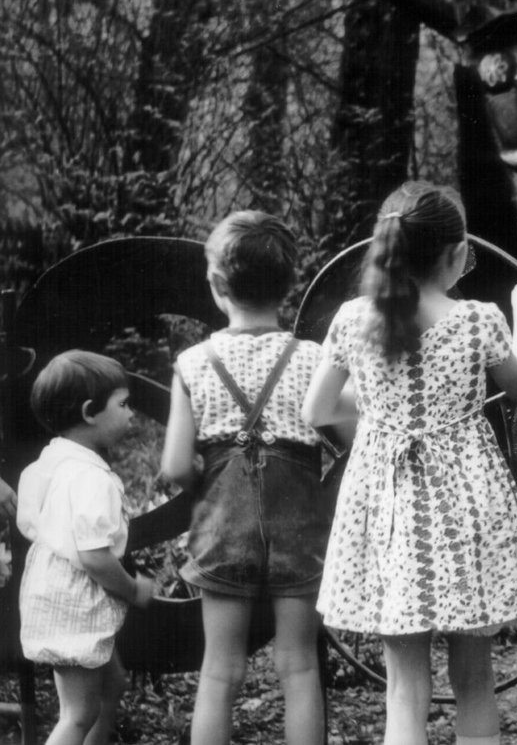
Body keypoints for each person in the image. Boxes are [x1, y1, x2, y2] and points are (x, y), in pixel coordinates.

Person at [303, 181, 517, 745]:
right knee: (476, 680)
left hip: (389, 511)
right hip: (467, 509)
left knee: (403, 688)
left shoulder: (353, 319)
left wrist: (379, 406)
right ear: (457, 253)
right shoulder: (478, 319)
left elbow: (316, 410)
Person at [160, 210, 331, 745]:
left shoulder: (193, 363)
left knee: (219, 671)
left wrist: (208, 483)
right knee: (299, 667)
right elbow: (353, 436)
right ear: (289, 285)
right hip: (300, 526)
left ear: (216, 284)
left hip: (223, 526)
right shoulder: (313, 359)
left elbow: (174, 465)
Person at [18, 350, 155, 745]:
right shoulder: (90, 479)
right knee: (78, 714)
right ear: (89, 412)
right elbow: (94, 558)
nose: (131, 414)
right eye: (123, 404)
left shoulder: (47, 463)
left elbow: (32, 524)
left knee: (112, 684)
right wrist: (133, 589)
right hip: (74, 601)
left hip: (52, 588)